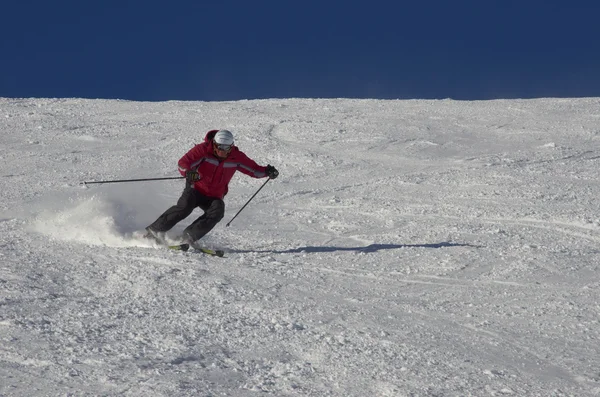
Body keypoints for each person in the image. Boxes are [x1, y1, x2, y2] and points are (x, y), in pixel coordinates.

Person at [145, 129, 279, 245]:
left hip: (215, 194)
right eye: (219, 147)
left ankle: (187, 237)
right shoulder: (203, 150)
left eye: (226, 148)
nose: (222, 151)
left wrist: (267, 171)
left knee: (217, 212)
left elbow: (254, 170)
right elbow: (183, 163)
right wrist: (188, 172)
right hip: (196, 188)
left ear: (231, 146)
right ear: (214, 144)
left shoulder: (236, 157)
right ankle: (153, 232)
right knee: (185, 207)